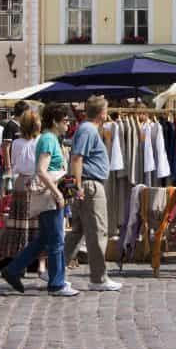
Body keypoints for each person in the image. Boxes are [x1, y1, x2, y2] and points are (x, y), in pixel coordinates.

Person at [2, 104, 76, 296]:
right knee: (56, 240)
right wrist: (57, 193)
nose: (68, 124)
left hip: (49, 194)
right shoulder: (48, 140)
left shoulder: (50, 139)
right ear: (55, 121)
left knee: (44, 238)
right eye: (65, 120)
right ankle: (56, 283)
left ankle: (13, 270)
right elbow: (41, 171)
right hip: (48, 195)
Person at [63, 96, 121, 292]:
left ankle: (56, 270)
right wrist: (78, 185)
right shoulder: (88, 129)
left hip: (87, 184)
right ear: (102, 113)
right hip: (90, 185)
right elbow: (77, 158)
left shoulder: (86, 129)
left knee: (78, 231)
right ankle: (98, 278)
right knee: (97, 231)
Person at [3, 110, 45, 277]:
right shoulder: (41, 141)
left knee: (21, 226)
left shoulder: (17, 143)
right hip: (38, 182)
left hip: (21, 182)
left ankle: (21, 265)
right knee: (39, 225)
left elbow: (13, 164)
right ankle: (41, 265)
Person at [1, 101, 29, 180]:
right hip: (13, 164)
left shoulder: (22, 125)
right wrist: (8, 167)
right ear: (23, 113)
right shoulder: (10, 125)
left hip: (21, 163)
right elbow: (6, 147)